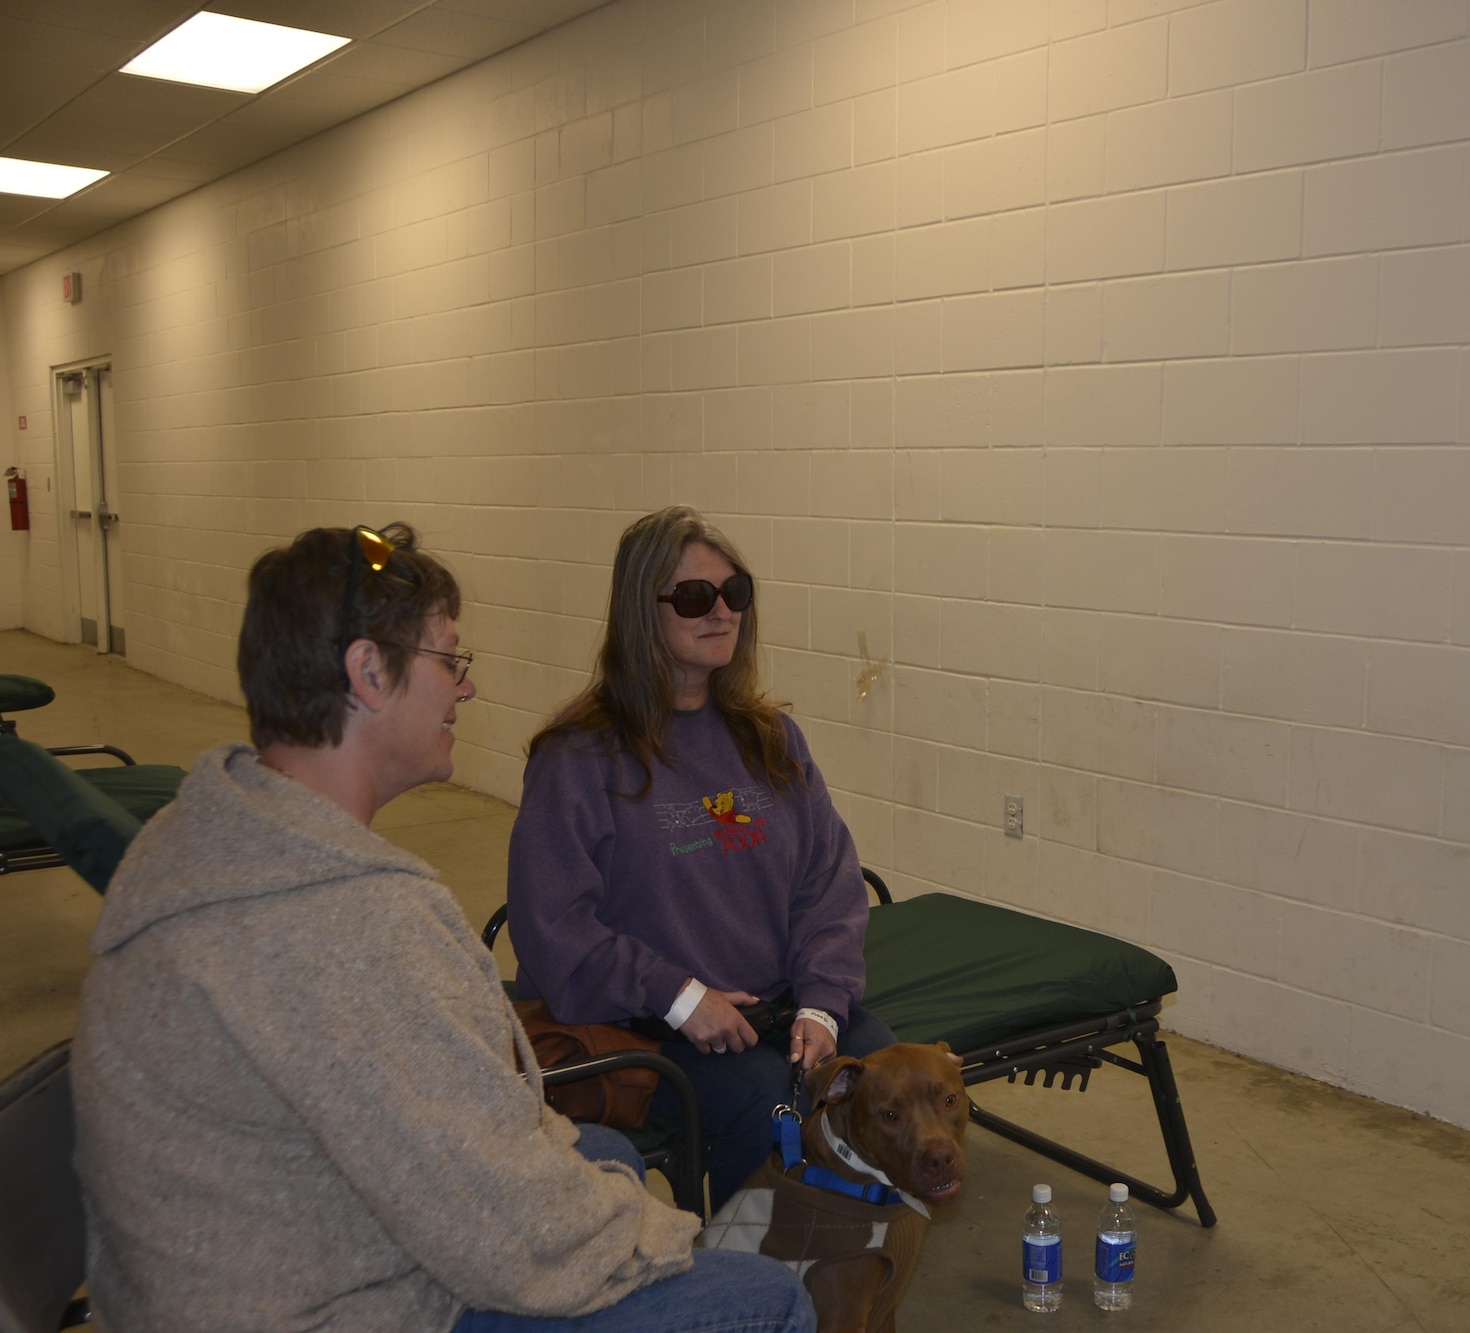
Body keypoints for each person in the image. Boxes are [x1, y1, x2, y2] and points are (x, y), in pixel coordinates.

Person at [70, 522, 814, 1333]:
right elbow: (505, 1228)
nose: (466, 689)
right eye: (449, 660)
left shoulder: (221, 838)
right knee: (769, 1296)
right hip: (338, 1303)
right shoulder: (346, 924)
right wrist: (670, 1239)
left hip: (257, 1262)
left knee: (606, 1157)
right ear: (367, 673)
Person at [507, 505, 894, 1209]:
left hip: (778, 1010)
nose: (721, 612)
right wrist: (683, 997)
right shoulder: (579, 756)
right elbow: (553, 926)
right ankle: (760, 1295)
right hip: (653, 1027)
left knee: (887, 1082)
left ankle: (854, 1274)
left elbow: (829, 884)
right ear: (640, 612)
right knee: (766, 1104)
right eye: (694, 596)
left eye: (734, 592)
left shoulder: (771, 738)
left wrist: (822, 1007)